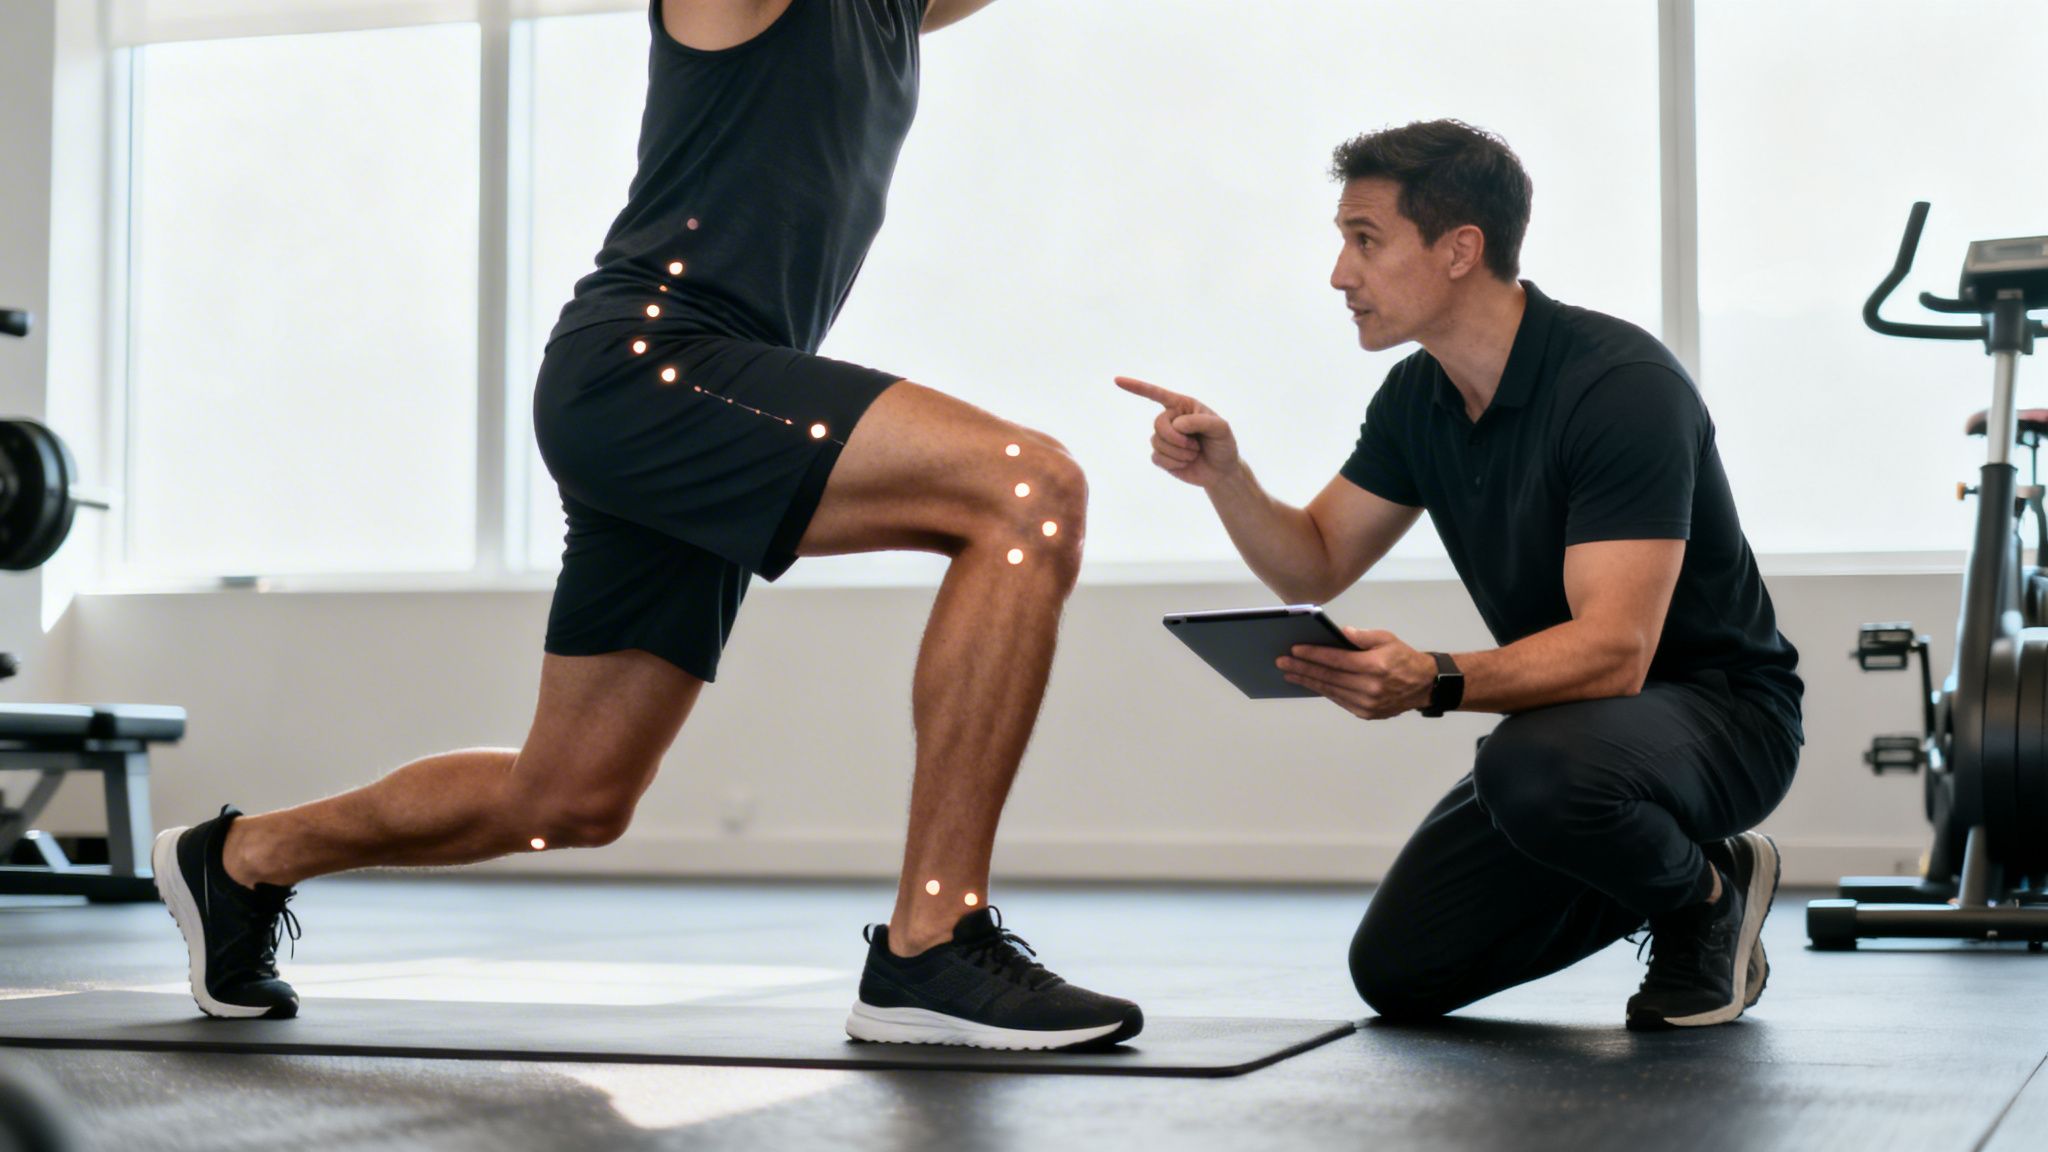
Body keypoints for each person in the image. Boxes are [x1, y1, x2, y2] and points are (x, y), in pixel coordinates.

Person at [152, 0, 1143, 1052]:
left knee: (570, 796)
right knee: (1024, 490)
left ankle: (241, 859)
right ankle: (929, 942)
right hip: (651, 368)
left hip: (697, 394)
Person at [1118, 119, 1802, 1030]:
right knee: (1400, 973)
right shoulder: (1418, 396)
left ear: (1459, 250)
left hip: (1724, 718)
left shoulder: (1621, 386)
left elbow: (1618, 653)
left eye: (1364, 241)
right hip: (1574, 741)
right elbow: (1311, 560)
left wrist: (1433, 677)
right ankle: (1674, 857)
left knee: (1535, 772)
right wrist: (1227, 479)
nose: (1338, 275)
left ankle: (1704, 902)